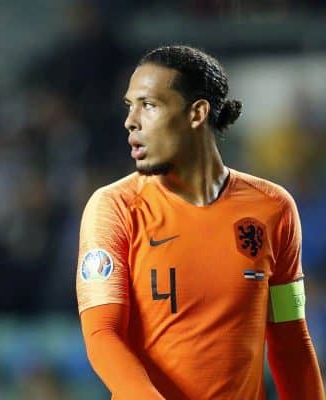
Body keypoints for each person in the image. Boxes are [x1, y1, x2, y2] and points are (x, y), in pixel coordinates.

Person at [76, 45, 325, 400]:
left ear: (197, 113)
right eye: (130, 106)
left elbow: (291, 341)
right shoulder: (114, 208)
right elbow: (102, 335)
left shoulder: (273, 208)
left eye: (148, 105)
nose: (131, 120)